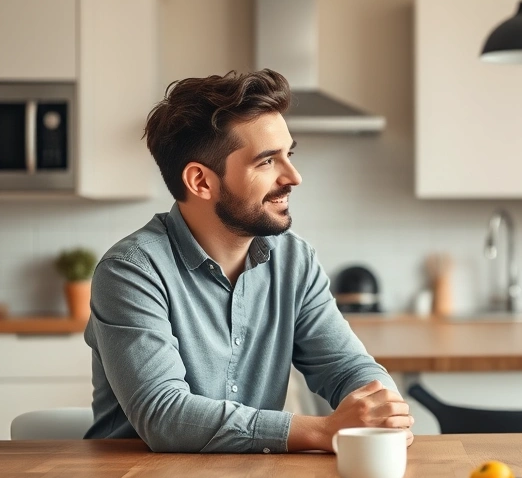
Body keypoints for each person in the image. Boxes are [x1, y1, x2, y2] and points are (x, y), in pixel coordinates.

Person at [84, 69, 414, 453]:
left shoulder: (294, 261)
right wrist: (323, 430)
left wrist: (383, 408)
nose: (293, 176)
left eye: (288, 155)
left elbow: (346, 367)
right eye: (266, 162)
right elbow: (165, 415)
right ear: (201, 182)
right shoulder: (131, 270)